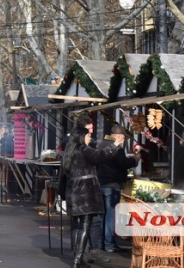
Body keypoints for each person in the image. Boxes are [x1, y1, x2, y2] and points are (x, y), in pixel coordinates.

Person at [61, 115, 122, 268]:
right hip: (86, 190)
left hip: (74, 189)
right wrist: (114, 146)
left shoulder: (70, 151)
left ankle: (78, 257)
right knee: (85, 226)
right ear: (82, 136)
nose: (90, 137)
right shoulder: (83, 150)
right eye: (88, 135)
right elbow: (100, 156)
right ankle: (77, 260)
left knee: (77, 225)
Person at [97, 124, 138, 254]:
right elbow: (123, 164)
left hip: (102, 183)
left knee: (103, 214)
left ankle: (102, 243)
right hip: (112, 184)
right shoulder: (117, 149)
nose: (124, 140)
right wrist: (135, 160)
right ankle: (109, 244)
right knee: (111, 214)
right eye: (123, 137)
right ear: (118, 137)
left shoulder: (101, 145)